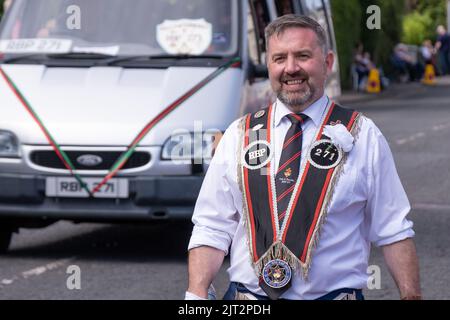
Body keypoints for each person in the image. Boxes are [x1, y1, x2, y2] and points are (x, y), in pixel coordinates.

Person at [186, 14, 421, 300]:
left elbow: (393, 230)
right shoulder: (241, 134)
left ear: (328, 62)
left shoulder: (363, 135)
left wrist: (412, 296)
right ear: (269, 65)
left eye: (303, 56)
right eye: (279, 58)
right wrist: (197, 294)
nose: (291, 68)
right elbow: (212, 225)